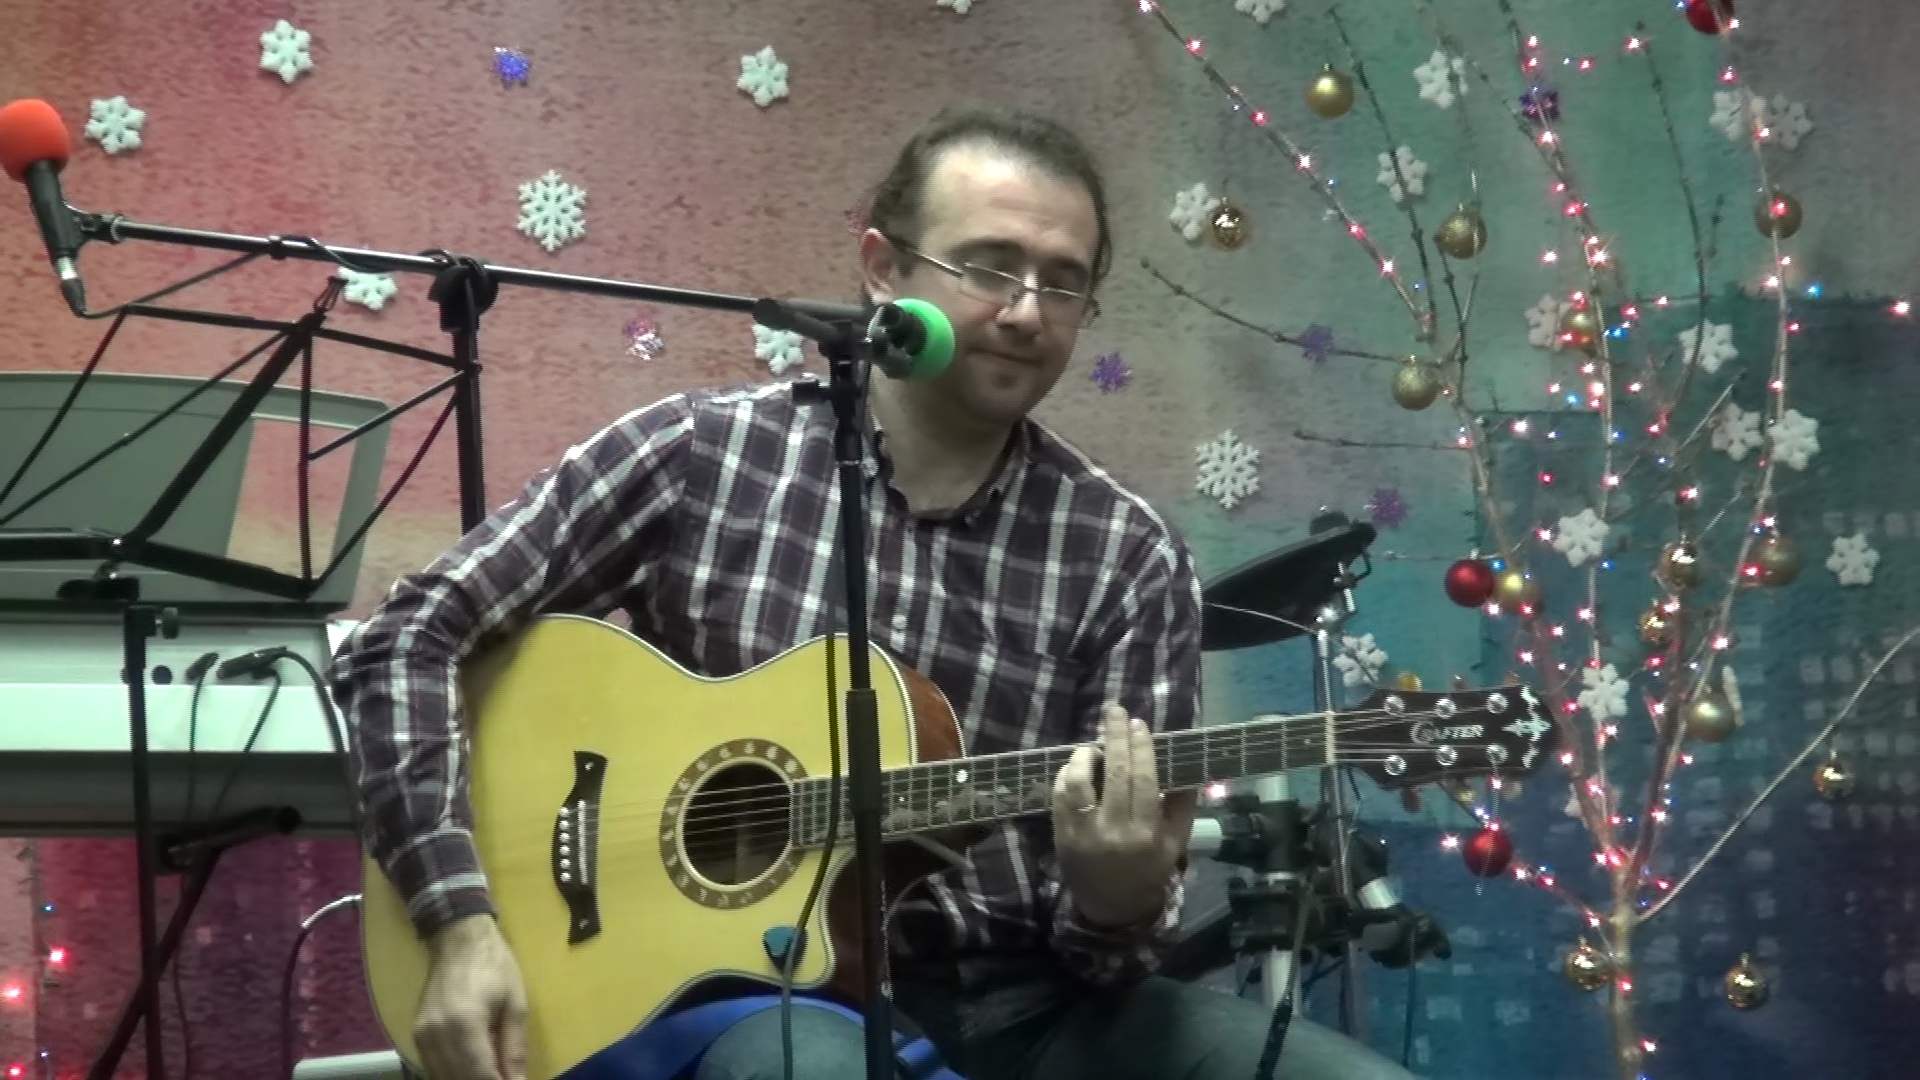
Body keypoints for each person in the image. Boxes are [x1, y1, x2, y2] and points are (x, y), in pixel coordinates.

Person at [330, 104, 1422, 1080]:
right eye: (990, 265)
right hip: (740, 1001)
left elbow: (1110, 958)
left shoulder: (1127, 554)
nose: (1027, 311)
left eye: (1064, 281)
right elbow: (405, 637)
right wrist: (459, 921)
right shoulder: (699, 454)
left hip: (1031, 1011)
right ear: (883, 269)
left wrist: (1119, 893)